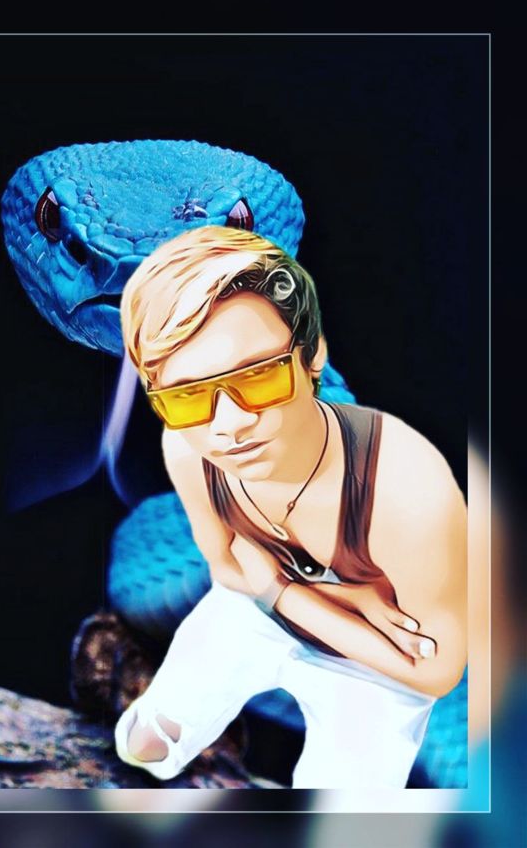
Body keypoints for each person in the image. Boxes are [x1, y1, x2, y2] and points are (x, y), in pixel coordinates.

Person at [113, 225, 467, 788]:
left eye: (258, 376)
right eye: (186, 395)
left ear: (312, 354)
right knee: (144, 746)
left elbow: (437, 671)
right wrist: (351, 596)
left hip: (375, 666)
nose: (229, 424)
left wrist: (279, 588)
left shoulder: (408, 487)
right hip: (259, 614)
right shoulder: (187, 444)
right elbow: (228, 569)